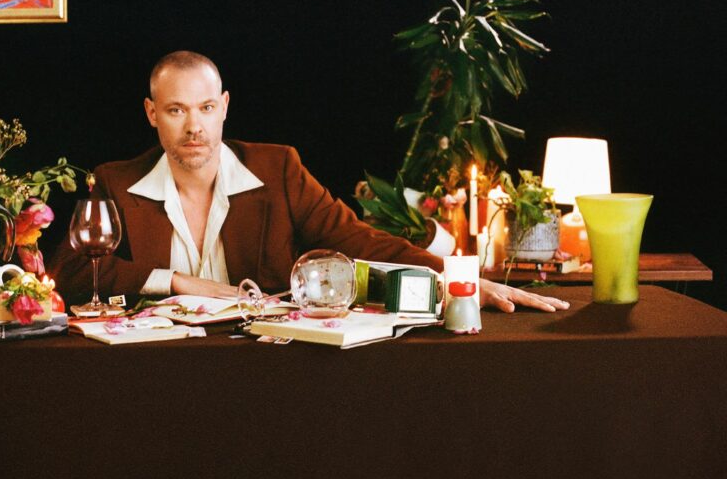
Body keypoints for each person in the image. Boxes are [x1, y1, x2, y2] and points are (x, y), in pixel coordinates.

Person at [50, 51, 569, 313]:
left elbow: (359, 239)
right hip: (153, 374)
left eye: (206, 108)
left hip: (268, 370)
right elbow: (70, 273)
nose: (194, 127)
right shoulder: (115, 183)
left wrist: (460, 280)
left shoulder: (278, 169)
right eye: (176, 110)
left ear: (224, 107)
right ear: (151, 114)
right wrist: (177, 281)